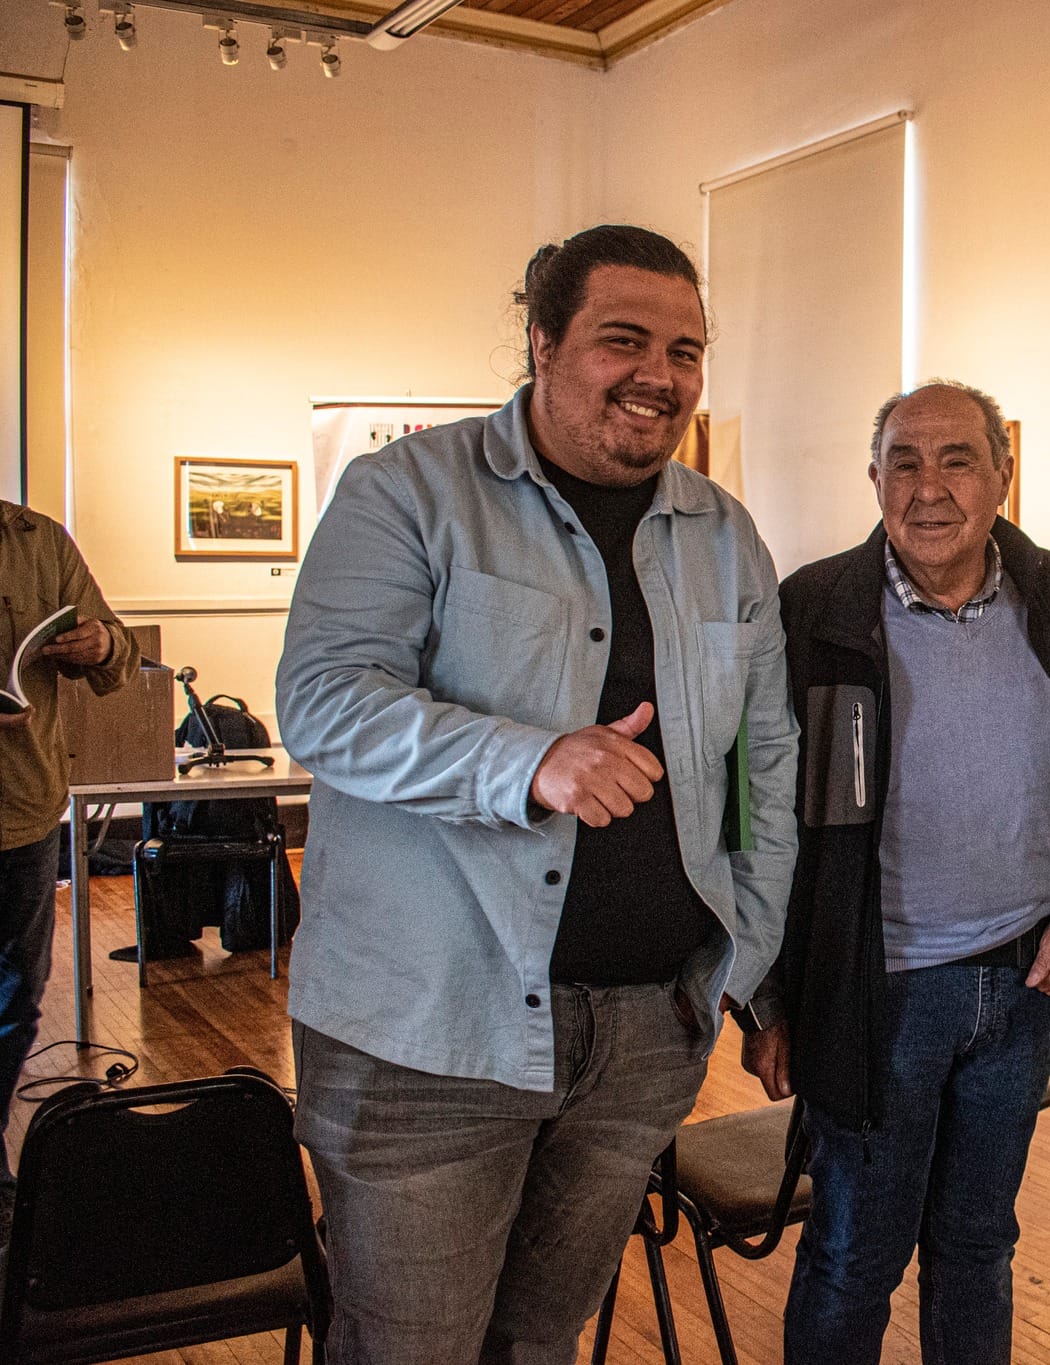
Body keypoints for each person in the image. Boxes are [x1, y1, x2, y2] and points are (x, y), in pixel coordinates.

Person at [276, 224, 798, 1365]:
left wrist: (747, 963)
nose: (658, 374)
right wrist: (526, 761)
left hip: (644, 1034)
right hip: (428, 1036)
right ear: (541, 342)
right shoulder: (406, 492)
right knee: (411, 1349)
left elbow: (763, 763)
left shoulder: (721, 533)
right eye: (623, 339)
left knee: (540, 1343)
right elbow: (320, 702)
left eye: (686, 348)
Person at [743, 380, 1050, 1365]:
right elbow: (761, 816)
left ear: (1003, 473)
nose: (928, 487)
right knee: (855, 1251)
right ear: (872, 478)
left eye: (957, 459)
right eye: (902, 461)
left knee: (978, 1244)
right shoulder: (814, 609)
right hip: (875, 995)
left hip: (1021, 989)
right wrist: (768, 996)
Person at [0, 502, 139, 1242]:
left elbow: (117, 651)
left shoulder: (37, 538)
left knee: (17, 996)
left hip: (23, 809)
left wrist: (99, 643)